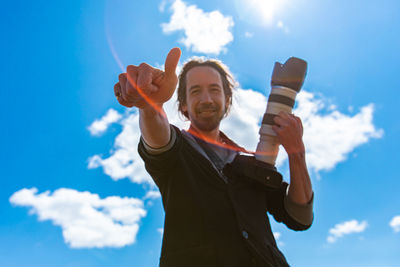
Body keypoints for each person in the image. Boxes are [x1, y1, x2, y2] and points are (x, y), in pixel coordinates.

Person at [114, 47, 313, 267]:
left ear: (227, 100)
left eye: (214, 90)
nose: (206, 99)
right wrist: (150, 105)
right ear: (183, 104)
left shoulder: (250, 163)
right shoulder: (177, 149)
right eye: (196, 91)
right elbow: (157, 133)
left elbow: (299, 218)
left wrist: (297, 153)